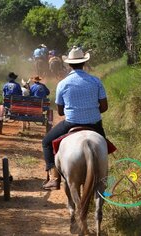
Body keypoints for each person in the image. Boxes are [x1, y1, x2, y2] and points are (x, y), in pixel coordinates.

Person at [41, 46, 108, 190]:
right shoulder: (96, 81)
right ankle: (104, 176)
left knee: (46, 142)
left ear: (69, 64)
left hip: (71, 122)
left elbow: (60, 112)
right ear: (84, 63)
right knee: (105, 147)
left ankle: (54, 178)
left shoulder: (63, 83)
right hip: (95, 124)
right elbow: (104, 107)